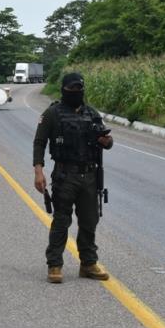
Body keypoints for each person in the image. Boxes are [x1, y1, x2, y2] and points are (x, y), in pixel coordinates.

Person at [33, 72, 113, 283]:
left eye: (79, 90)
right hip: (65, 174)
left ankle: (88, 263)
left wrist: (106, 141)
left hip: (89, 175)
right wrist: (38, 171)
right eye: (72, 90)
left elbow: (107, 140)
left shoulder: (92, 113)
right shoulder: (52, 114)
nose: (76, 93)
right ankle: (55, 265)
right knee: (61, 220)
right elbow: (39, 142)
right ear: (64, 90)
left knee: (89, 221)